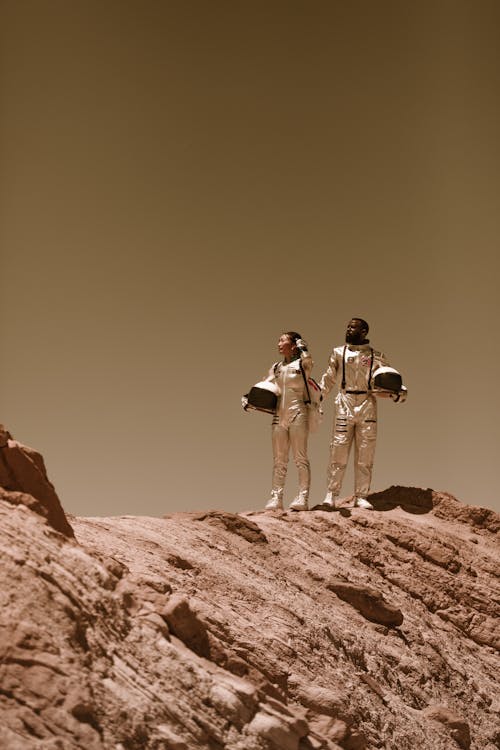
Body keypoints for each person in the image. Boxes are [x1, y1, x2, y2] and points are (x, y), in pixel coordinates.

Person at [319, 318, 402, 510]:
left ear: (364, 331)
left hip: (367, 403)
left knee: (366, 451)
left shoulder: (376, 355)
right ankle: (331, 494)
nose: (348, 329)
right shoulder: (339, 352)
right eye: (347, 326)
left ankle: (361, 495)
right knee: (338, 448)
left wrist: (397, 393)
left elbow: (388, 379)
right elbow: (329, 378)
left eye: (353, 327)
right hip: (344, 401)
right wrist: (317, 398)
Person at [264, 332, 313, 512]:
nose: (279, 343)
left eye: (283, 340)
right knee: (279, 459)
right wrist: (250, 397)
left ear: (293, 344)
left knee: (300, 457)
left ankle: (303, 496)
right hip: (279, 415)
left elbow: (309, 363)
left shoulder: (302, 363)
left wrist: (303, 347)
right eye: (278, 340)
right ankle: (276, 496)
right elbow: (266, 385)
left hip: (298, 412)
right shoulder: (276, 367)